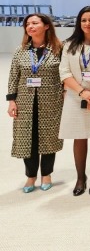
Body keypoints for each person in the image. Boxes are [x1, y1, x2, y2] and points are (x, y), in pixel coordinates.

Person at [6, 14, 64, 193]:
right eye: (27, 24)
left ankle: (46, 174)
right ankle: (30, 176)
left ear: (46, 26)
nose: (30, 26)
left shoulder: (58, 49)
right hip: (25, 101)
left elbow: (65, 74)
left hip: (51, 100)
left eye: (34, 23)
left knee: (48, 137)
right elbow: (13, 76)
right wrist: (12, 101)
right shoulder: (21, 50)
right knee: (27, 138)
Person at [59, 6, 90, 196]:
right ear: (79, 23)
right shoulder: (69, 44)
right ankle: (81, 177)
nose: (87, 24)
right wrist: (82, 93)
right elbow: (64, 72)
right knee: (79, 136)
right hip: (75, 96)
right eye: (84, 20)